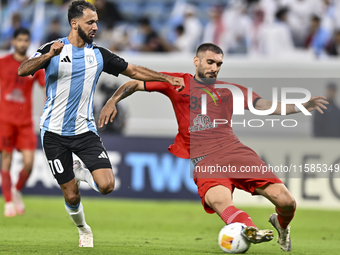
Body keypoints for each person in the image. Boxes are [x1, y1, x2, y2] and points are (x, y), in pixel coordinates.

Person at [98, 43, 328, 252]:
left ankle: (281, 224)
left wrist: (302, 105)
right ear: (196, 61)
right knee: (220, 202)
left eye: (219, 64)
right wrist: (112, 101)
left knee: (286, 202)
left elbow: (265, 105)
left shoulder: (229, 90)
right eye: (210, 62)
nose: (215, 68)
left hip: (235, 152)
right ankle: (249, 229)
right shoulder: (178, 83)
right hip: (205, 160)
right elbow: (135, 83)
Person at [17, 0, 184, 248]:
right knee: (71, 194)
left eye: (96, 21)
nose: (95, 26)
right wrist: (48, 55)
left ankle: (82, 172)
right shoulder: (53, 48)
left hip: (85, 131)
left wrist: (165, 78)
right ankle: (84, 229)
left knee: (107, 185)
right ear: (74, 23)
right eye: (90, 22)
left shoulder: (99, 55)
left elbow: (134, 71)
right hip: (53, 132)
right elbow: (23, 70)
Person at [0, 28, 45, 217]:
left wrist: (49, 107)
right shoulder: (2, 63)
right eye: (20, 40)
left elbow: (45, 88)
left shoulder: (34, 65)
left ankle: (17, 190)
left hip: (25, 122)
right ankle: (8, 201)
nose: (23, 43)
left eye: (26, 40)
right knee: (6, 161)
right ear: (13, 42)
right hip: (5, 120)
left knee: (29, 163)